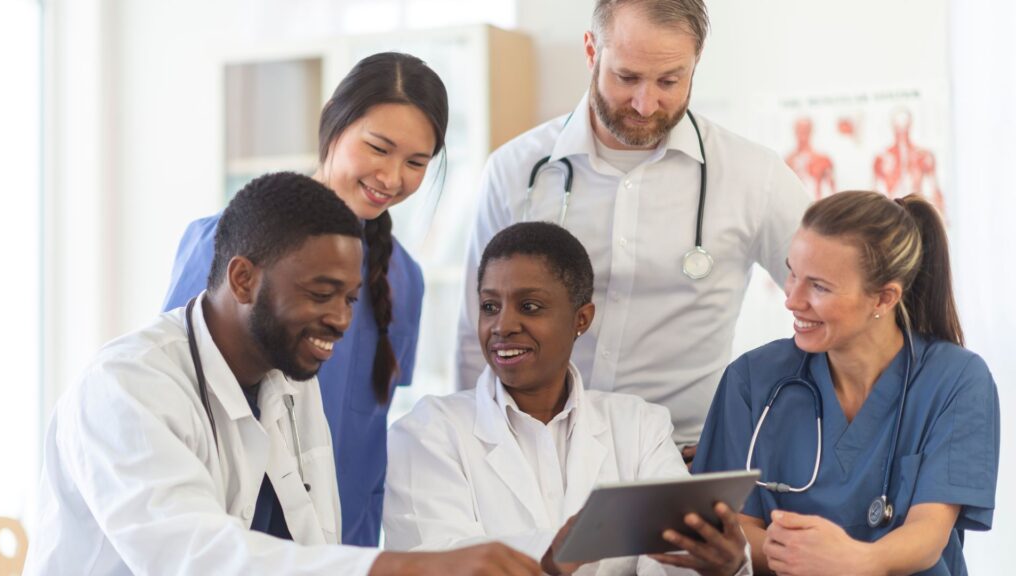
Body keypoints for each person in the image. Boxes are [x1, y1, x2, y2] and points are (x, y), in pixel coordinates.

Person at [25, 172, 541, 576]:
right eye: (321, 294)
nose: (341, 320)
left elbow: (314, 537)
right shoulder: (127, 388)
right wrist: (401, 567)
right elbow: (196, 559)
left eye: (350, 299)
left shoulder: (291, 380)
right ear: (243, 279)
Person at [455, 0, 809, 463]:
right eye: (627, 78)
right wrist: (475, 450)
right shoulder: (516, 170)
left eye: (669, 81)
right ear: (591, 51)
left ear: (695, 64)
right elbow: (473, 332)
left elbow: (829, 301)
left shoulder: (754, 176)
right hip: (538, 454)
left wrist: (776, 422)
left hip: (683, 457)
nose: (646, 103)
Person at [162, 52, 446, 546]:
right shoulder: (225, 244)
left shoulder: (403, 279)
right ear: (333, 118)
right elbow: (172, 404)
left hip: (340, 550)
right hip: (229, 543)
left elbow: (368, 442)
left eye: (416, 162)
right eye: (379, 148)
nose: (393, 177)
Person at [387, 222, 751, 576]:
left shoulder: (638, 427)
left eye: (529, 306)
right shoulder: (428, 432)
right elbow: (432, 560)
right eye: (489, 306)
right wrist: (548, 558)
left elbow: (669, 557)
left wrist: (721, 566)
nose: (503, 325)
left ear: (581, 318)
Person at [693, 191, 999, 575]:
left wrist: (855, 561)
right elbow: (730, 529)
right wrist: (804, 556)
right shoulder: (752, 379)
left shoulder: (955, 380)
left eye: (819, 287)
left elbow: (929, 532)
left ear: (884, 299)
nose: (793, 299)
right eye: (792, 273)